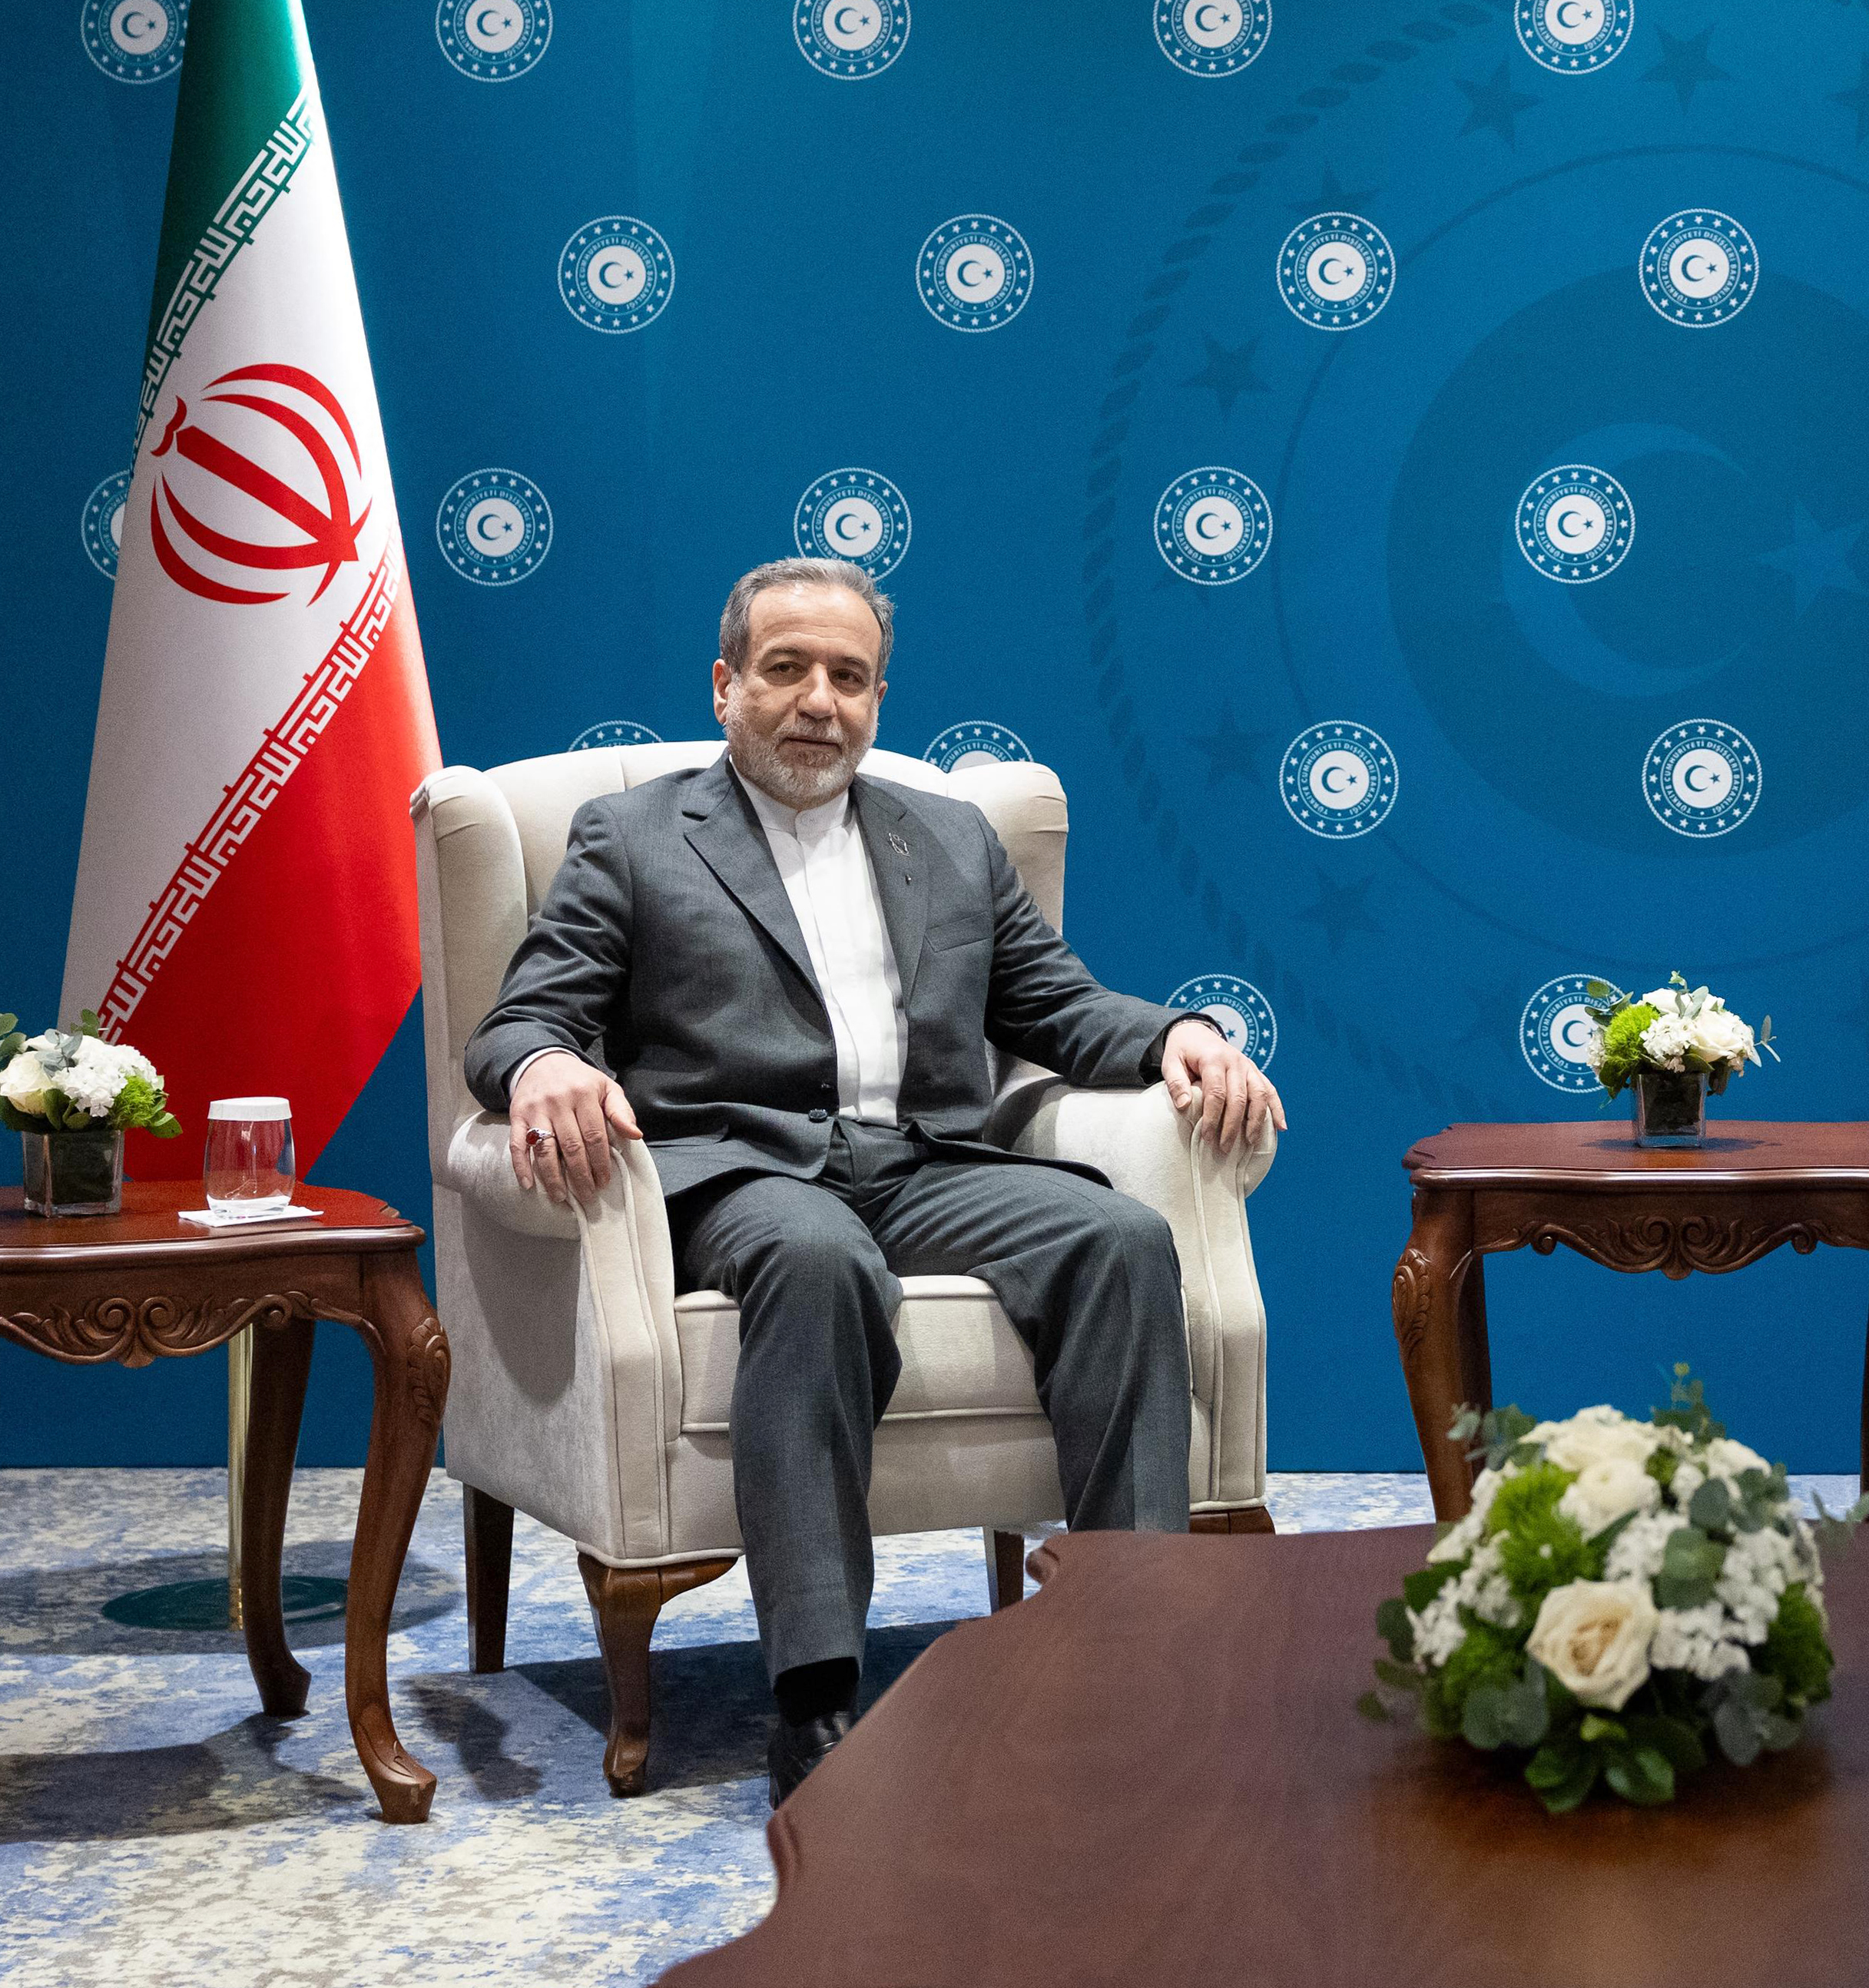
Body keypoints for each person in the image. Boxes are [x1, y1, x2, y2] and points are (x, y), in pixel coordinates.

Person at [465, 556, 1286, 1804]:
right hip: (743, 1170)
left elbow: (1054, 1006)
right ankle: (815, 1693)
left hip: (925, 1164)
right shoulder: (633, 838)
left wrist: (1177, 1034)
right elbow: (522, 1018)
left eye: (848, 677)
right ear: (727, 683)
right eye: (786, 669)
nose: (818, 702)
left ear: (880, 697)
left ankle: (1132, 1645)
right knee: (814, 1256)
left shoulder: (947, 836)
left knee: (1120, 1241)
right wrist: (536, 1071)